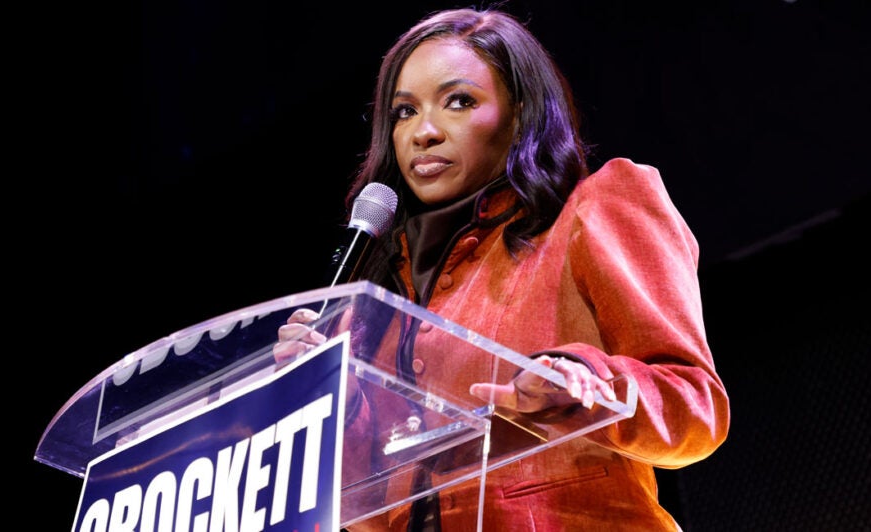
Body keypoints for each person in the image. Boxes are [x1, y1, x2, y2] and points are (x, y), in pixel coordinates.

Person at [275, 7, 730, 531]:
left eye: (458, 102)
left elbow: (695, 409)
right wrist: (332, 398)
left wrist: (586, 385)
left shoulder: (592, 209)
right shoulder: (370, 301)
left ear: (519, 115)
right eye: (404, 112)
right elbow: (368, 514)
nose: (423, 132)